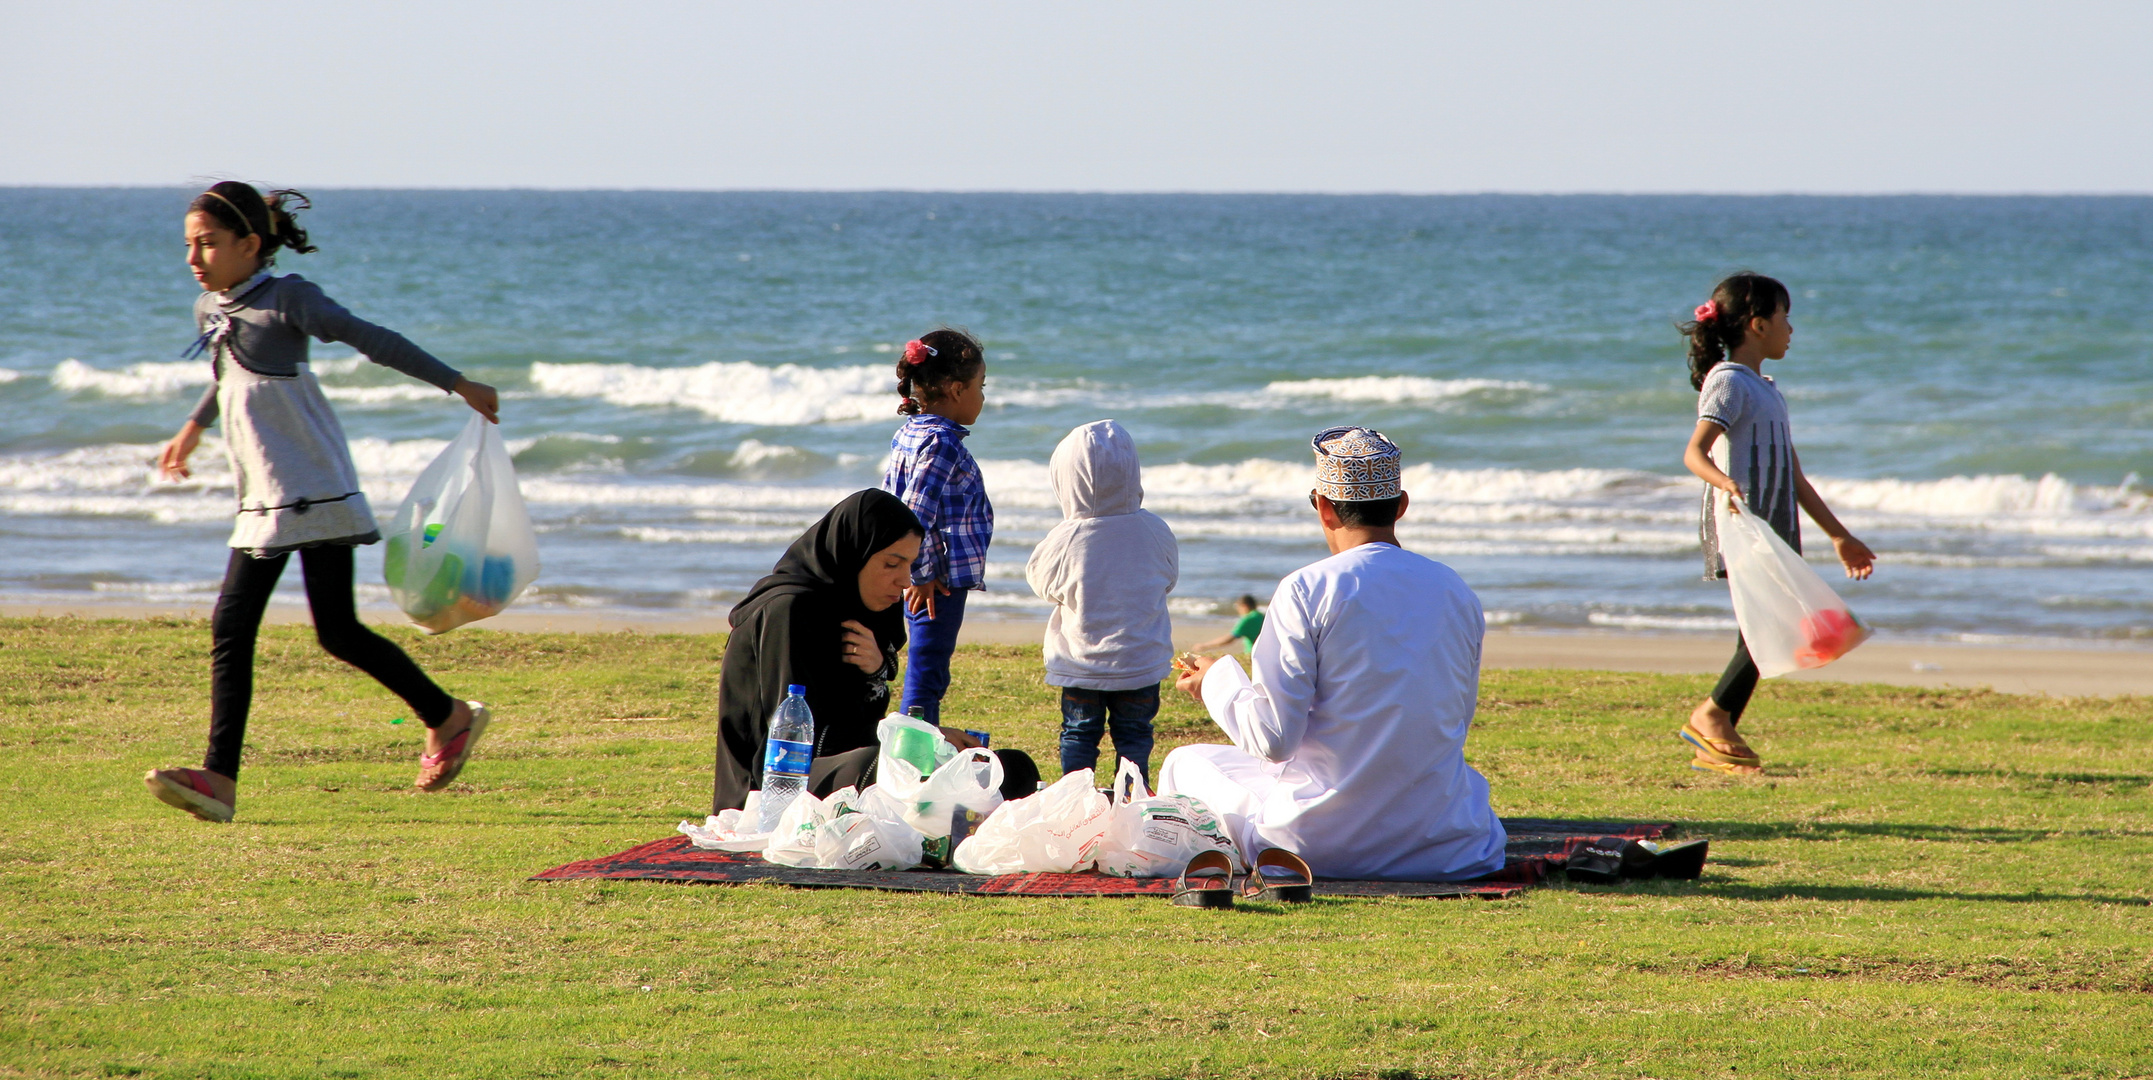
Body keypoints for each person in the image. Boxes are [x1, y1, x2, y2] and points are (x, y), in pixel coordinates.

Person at [144, 182, 501, 823]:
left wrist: (456, 382)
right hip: (266, 490)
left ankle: (219, 781)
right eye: (189, 244)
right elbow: (228, 374)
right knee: (337, 630)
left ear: (250, 245)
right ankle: (447, 716)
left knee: (234, 625)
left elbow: (372, 337)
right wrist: (194, 425)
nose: (196, 256)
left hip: (308, 486)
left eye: (210, 243)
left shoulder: (290, 300)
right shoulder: (210, 307)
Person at [1162, 427, 1508, 882]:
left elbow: (1273, 740)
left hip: (1313, 848)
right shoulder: (1455, 589)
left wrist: (1215, 681)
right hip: (1447, 844)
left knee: (1183, 763)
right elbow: (1451, 720)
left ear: (1324, 509)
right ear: (1401, 506)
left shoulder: (1307, 589)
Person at [712, 489, 1038, 813]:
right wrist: (923, 740)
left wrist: (877, 671)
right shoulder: (788, 611)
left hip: (840, 768)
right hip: (771, 790)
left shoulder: (854, 609)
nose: (906, 580)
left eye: (910, 564)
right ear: (854, 554)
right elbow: (800, 744)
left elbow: (860, 724)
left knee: (1008, 767)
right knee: (884, 765)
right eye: (892, 564)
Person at [1678, 272, 1875, 775]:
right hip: (1743, 523)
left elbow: (1795, 475)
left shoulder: (1765, 389)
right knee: (1775, 624)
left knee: (1770, 626)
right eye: (1786, 318)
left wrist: (1839, 536)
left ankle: (1715, 728)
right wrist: (1724, 484)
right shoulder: (1728, 382)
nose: (1792, 330)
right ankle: (1713, 717)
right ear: (1758, 324)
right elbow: (1694, 453)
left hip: (1775, 523)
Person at [1026, 420, 1178, 786]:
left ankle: (1077, 801)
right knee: (1135, 736)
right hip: (1140, 660)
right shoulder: (1155, 529)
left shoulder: (1067, 537)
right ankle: (1131, 797)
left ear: (1066, 480)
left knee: (1079, 734)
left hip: (1083, 662)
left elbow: (1041, 582)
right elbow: (1168, 578)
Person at [881, 327, 992, 725]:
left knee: (926, 668)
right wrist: (922, 573)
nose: (984, 396)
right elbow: (913, 514)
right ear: (957, 389)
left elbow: (893, 503)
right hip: (936, 584)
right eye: (982, 385)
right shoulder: (943, 442)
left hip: (924, 578)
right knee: (928, 672)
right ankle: (913, 753)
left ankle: (915, 742)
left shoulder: (910, 432)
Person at [1191, 595, 1264, 655]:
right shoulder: (1262, 616)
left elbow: (1229, 639)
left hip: (1252, 654)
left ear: (1244, 606)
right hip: (1265, 653)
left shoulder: (1247, 619)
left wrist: (1204, 646)